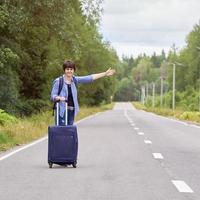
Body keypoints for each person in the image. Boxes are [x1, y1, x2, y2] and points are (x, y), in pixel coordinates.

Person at [50, 60, 116, 125]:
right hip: (61, 111)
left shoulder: (74, 80)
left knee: (69, 133)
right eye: (67, 69)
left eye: (71, 69)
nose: (69, 71)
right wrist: (59, 98)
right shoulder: (58, 81)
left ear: (73, 70)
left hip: (71, 111)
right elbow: (53, 96)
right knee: (61, 132)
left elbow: (89, 78)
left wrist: (104, 74)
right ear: (64, 70)